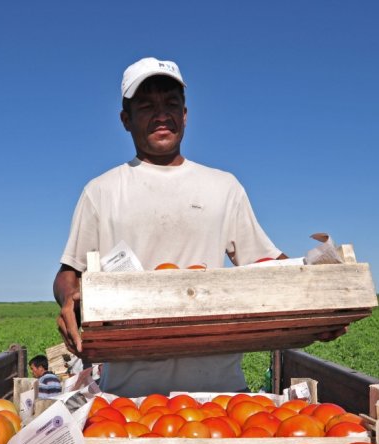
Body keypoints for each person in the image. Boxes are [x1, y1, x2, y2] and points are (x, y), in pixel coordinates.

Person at [54, 57, 341, 397]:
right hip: (126, 397)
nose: (162, 114)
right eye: (146, 106)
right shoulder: (101, 192)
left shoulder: (223, 187)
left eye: (171, 104)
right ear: (125, 120)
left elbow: (268, 265)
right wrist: (68, 299)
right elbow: (69, 273)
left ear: (186, 116)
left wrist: (321, 301)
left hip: (220, 394)